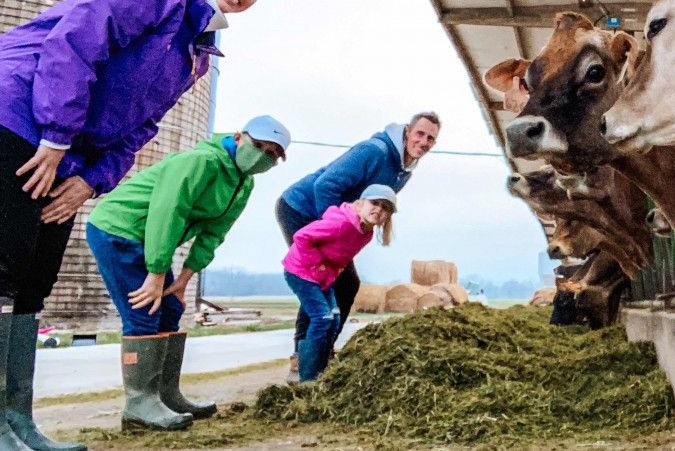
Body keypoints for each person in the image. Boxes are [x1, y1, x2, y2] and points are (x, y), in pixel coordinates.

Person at [0, 0, 278, 451]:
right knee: (3, 269)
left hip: (67, 153)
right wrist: (57, 136)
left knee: (34, 280)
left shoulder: (196, 52)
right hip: (17, 119)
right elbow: (75, 43)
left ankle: (17, 423)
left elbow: (138, 128)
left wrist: (89, 181)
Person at [86, 116, 290, 432]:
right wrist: (156, 273)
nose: (263, 155)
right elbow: (168, 212)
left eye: (272, 153)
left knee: (171, 308)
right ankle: (139, 406)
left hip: (148, 239)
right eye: (259, 145)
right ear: (238, 137)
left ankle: (166, 396)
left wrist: (182, 281)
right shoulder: (200, 161)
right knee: (145, 309)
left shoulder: (242, 183)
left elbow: (213, 232)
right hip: (120, 229)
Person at [276, 112, 439, 381]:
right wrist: (335, 230)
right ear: (407, 131)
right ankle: (302, 357)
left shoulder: (404, 171)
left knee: (347, 283)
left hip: (340, 222)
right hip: (302, 208)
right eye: (420, 133)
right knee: (316, 278)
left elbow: (378, 203)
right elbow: (324, 185)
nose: (424, 141)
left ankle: (322, 351)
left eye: (431, 138)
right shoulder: (374, 151)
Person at [283, 184, 396, 381]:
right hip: (300, 272)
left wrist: (333, 270)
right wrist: (317, 265)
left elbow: (341, 255)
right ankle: (307, 377)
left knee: (334, 318)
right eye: (374, 203)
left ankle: (321, 367)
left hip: (321, 277)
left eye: (385, 207)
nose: (378, 209)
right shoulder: (341, 223)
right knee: (322, 318)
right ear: (360, 203)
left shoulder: (365, 233)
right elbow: (301, 237)